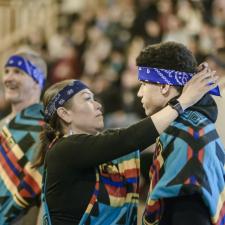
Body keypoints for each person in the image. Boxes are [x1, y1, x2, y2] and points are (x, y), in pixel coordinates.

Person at [34, 62, 217, 225]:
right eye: (88, 99)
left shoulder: (97, 148)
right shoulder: (64, 150)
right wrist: (183, 101)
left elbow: (135, 144)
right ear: (65, 114)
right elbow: (131, 138)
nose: (98, 105)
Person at [136, 42, 225, 225]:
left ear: (164, 87)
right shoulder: (187, 123)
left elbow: (189, 214)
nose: (139, 93)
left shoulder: (187, 137)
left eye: (144, 84)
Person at [0, 51, 47, 225]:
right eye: (6, 71)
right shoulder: (1, 125)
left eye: (18, 72)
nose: (8, 78)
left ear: (37, 80)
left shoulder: (48, 129)